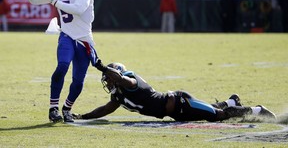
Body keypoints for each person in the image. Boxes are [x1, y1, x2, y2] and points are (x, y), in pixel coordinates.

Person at [23, 0, 108, 123]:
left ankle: (67, 108)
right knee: (62, 66)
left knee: (78, 80)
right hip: (66, 35)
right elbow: (35, 0)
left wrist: (55, 1)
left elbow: (78, 9)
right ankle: (53, 108)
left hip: (84, 39)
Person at [73, 62, 277, 122]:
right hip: (174, 113)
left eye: (108, 78)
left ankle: (257, 110)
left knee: (217, 116)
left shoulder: (130, 81)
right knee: (210, 110)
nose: (107, 82)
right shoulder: (117, 96)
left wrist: (101, 67)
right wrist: (84, 116)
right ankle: (232, 101)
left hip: (179, 102)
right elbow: (105, 110)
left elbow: (121, 79)